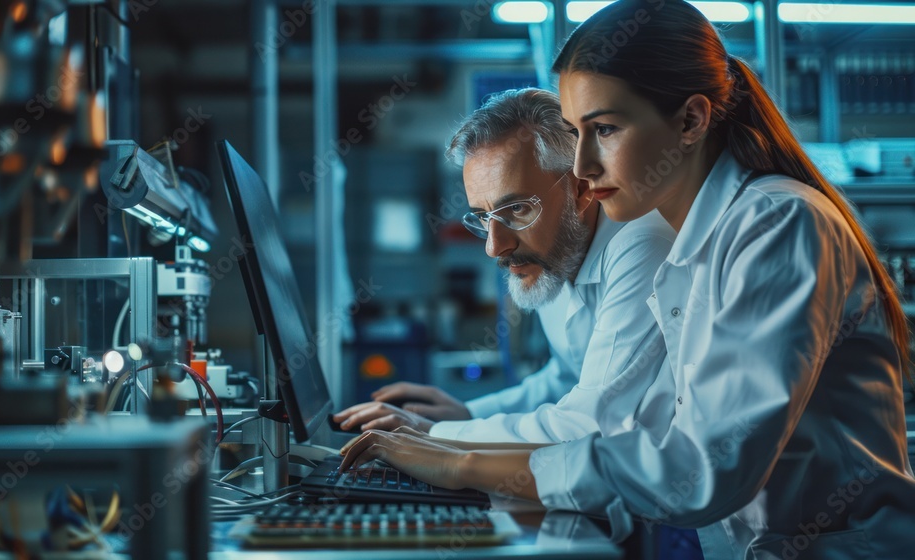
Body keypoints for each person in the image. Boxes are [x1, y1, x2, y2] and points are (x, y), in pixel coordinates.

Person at [339, 1, 915, 558]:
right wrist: (459, 435)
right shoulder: (696, 238)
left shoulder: (778, 223)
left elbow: (697, 469)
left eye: (605, 129)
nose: (583, 168)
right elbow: (631, 425)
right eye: (575, 132)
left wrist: (456, 458)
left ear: (690, 120)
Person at [333, 88, 675, 444]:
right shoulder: (556, 255)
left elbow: (591, 421)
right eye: (483, 216)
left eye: (517, 210)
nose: (495, 247)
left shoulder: (641, 247)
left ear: (580, 189)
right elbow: (564, 379)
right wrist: (468, 414)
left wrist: (437, 433)